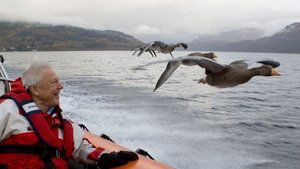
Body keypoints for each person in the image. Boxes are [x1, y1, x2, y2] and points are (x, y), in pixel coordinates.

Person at [0, 62, 138, 169]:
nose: (61, 86)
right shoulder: (7, 110)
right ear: (35, 89)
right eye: (54, 82)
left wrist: (105, 157)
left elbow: (81, 149)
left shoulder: (60, 119)